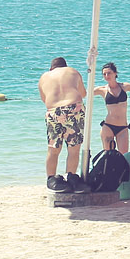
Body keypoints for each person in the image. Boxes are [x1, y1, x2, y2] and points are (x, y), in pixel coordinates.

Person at [38, 57, 87, 189]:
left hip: (53, 111)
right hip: (74, 108)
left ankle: (51, 179)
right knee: (73, 149)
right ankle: (71, 176)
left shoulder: (44, 77)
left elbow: (44, 99)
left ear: (51, 68)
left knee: (53, 149)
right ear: (65, 66)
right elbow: (83, 93)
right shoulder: (73, 71)